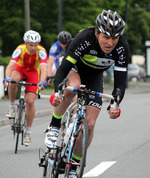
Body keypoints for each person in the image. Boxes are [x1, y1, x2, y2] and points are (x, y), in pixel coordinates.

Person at [45, 9, 130, 177]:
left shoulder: (122, 48)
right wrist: (58, 93)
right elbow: (62, 70)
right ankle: (54, 127)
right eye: (106, 37)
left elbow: (120, 81)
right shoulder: (85, 38)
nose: (110, 43)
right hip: (74, 68)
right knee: (73, 87)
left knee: (90, 124)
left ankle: (75, 165)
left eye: (114, 38)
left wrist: (115, 104)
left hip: (95, 76)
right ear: (97, 33)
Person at [3, 30, 48, 146]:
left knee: (30, 102)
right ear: (25, 43)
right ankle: (12, 106)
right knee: (13, 79)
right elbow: (11, 65)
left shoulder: (41, 51)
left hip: (33, 73)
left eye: (35, 45)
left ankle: (28, 132)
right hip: (20, 69)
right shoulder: (20, 49)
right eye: (30, 45)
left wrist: (42, 81)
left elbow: (43, 68)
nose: (33, 48)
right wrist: (7, 77)